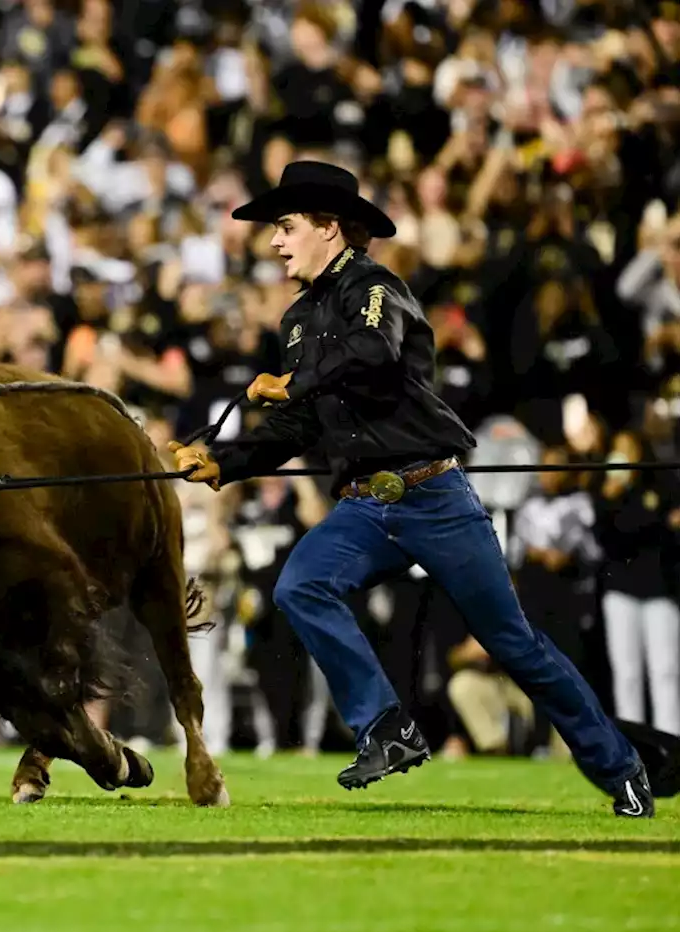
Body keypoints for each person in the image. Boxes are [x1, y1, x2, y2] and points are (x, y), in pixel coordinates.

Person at [169, 161, 654, 818]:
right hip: (367, 504)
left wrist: (297, 380)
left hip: (434, 495)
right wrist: (219, 461)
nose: (275, 242)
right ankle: (386, 727)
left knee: (513, 644)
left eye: (286, 227)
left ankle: (621, 767)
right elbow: (296, 425)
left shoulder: (377, 287)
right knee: (299, 584)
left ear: (330, 229)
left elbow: (372, 354)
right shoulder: (297, 320)